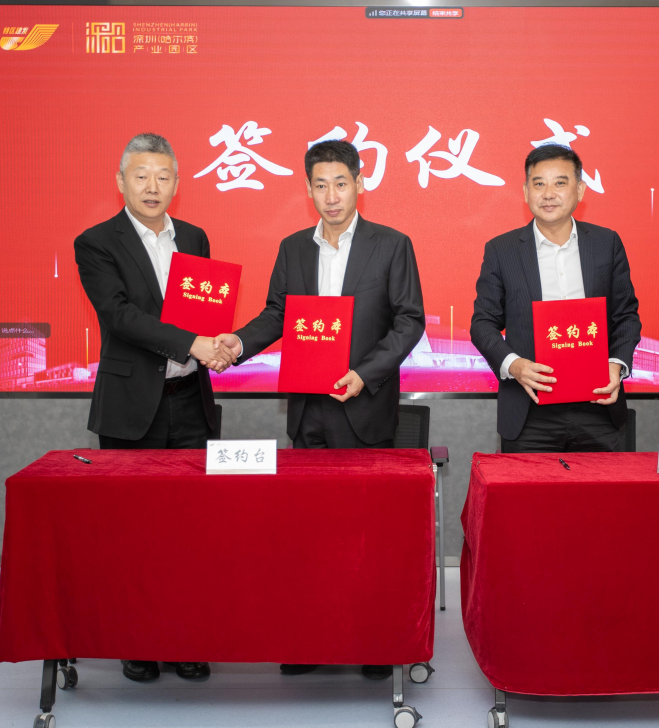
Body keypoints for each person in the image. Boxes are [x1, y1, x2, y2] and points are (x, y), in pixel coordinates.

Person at [210, 140, 425, 679]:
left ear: (359, 184)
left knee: (365, 532)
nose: (331, 196)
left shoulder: (392, 245)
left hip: (364, 407)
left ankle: (372, 644)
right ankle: (309, 638)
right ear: (308, 189)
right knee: (308, 531)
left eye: (341, 184)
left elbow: (409, 321)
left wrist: (364, 374)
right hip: (308, 410)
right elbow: (276, 314)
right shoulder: (292, 249)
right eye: (321, 185)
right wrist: (239, 342)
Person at [74, 133, 229, 682]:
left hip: (190, 402)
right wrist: (194, 344)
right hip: (130, 407)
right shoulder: (96, 242)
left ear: (177, 183)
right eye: (140, 176)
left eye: (163, 177)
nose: (152, 187)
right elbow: (119, 316)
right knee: (132, 530)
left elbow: (203, 311)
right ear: (121, 181)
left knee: (190, 529)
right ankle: (136, 640)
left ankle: (184, 637)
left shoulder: (195, 238)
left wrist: (219, 343)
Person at [470, 144, 642, 453]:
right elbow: (482, 323)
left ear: (580, 190)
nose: (548, 194)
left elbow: (626, 315)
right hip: (529, 410)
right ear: (526, 192)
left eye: (560, 183)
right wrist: (514, 365)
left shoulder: (606, 243)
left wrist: (616, 365)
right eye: (539, 184)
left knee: (602, 487)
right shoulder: (502, 250)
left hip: (598, 406)